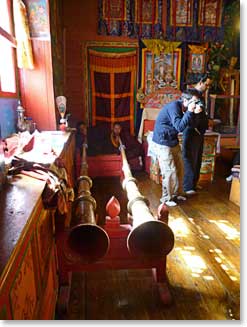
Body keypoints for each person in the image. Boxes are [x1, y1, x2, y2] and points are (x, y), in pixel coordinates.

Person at [152, 88, 203, 206]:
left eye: (197, 101)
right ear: (185, 100)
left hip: (172, 140)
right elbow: (179, 127)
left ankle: (179, 193)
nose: (195, 104)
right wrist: (190, 112)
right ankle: (166, 198)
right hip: (162, 141)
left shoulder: (185, 108)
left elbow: (192, 125)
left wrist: (196, 114)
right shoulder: (173, 107)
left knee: (180, 168)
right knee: (169, 171)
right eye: (194, 102)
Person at [182, 76, 213, 195]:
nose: (207, 87)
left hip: (199, 133)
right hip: (192, 132)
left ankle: (194, 184)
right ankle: (188, 186)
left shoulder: (201, 97)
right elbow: (189, 114)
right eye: (207, 84)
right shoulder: (191, 95)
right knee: (190, 159)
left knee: (197, 159)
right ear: (201, 82)